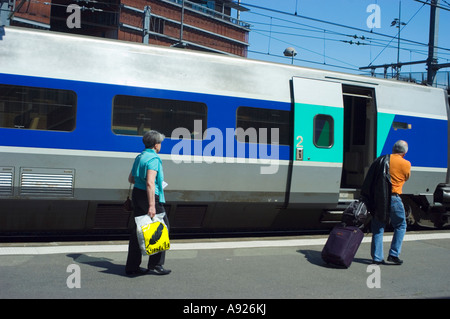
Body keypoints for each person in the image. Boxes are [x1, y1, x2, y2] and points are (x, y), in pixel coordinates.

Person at [125, 130, 171, 276]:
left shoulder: (140, 157)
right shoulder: (154, 159)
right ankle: (156, 264)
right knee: (162, 227)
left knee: (138, 230)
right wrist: (152, 206)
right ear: (156, 145)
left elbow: (131, 179)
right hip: (149, 197)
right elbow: (150, 184)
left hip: (137, 195)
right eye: (160, 143)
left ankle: (132, 267)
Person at [361, 140, 411, 265]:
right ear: (404, 153)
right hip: (394, 199)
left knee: (378, 227)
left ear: (393, 149)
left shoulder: (380, 160)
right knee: (400, 225)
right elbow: (406, 177)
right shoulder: (406, 164)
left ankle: (377, 257)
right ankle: (394, 254)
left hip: (379, 199)